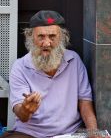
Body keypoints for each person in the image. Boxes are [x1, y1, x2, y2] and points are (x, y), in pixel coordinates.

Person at [2, 10, 98, 138]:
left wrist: (93, 131)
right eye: (41, 36)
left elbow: (85, 103)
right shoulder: (20, 67)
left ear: (62, 38)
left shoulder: (74, 61)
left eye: (52, 36)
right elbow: (22, 115)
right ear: (31, 37)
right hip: (30, 134)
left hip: (70, 133)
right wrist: (26, 109)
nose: (46, 43)